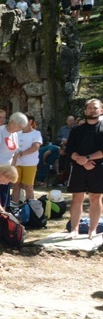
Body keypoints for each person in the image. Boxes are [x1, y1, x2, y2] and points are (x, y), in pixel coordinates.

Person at [66, 98, 103, 239]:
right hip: (78, 167)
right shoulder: (77, 130)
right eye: (89, 108)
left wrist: (87, 158)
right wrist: (81, 161)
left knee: (95, 198)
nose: (92, 110)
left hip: (98, 167)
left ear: (101, 110)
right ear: (85, 110)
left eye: (95, 108)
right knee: (77, 198)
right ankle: (74, 230)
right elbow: (69, 150)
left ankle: (92, 230)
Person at [0, 111, 25, 209]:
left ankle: (2, 220)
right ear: (12, 122)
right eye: (19, 127)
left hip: (7, 172)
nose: (20, 130)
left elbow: (14, 153)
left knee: (4, 198)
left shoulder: (15, 134)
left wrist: (12, 170)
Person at [12, 115, 42, 203]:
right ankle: (15, 207)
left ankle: (31, 208)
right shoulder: (16, 133)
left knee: (28, 186)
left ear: (30, 121)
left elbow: (35, 147)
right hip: (17, 163)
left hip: (30, 164)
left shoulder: (36, 133)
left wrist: (21, 153)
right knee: (16, 186)